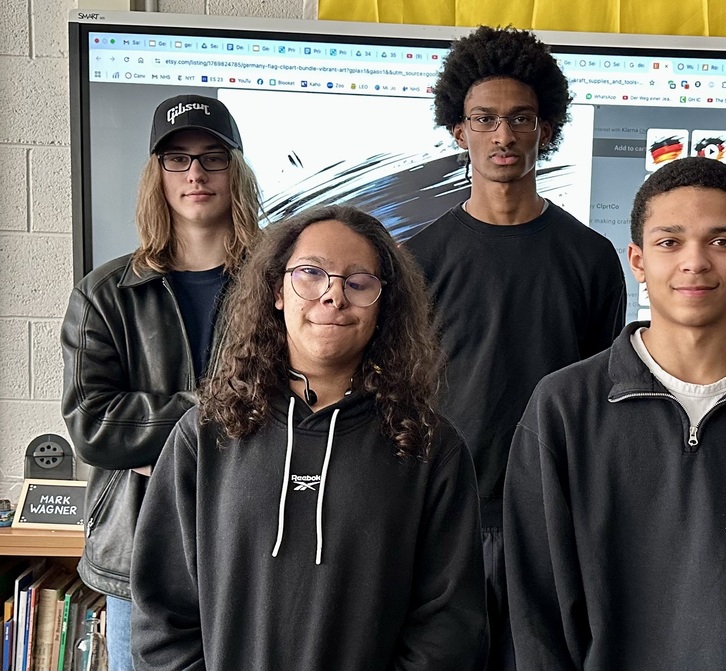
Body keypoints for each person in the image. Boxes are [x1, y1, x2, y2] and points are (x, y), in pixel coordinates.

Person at [504, 157, 726, 670]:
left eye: (721, 241)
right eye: (669, 242)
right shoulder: (564, 407)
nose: (694, 262)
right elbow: (537, 611)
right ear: (637, 259)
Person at [130, 205, 487, 670]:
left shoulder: (428, 447)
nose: (333, 296)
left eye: (358, 283)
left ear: (385, 305)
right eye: (311, 274)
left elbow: (449, 630)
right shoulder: (206, 434)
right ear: (277, 290)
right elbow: (162, 620)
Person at [403, 25, 626, 669]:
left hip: (552, 517)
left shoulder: (590, 257)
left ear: (546, 127)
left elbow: (604, 402)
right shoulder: (417, 259)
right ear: (458, 130)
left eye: (520, 118)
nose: (503, 135)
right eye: (485, 119)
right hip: (444, 517)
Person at [61, 94, 261, 670]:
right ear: (158, 174)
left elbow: (299, 400)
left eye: (212, 156)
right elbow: (94, 425)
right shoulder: (103, 295)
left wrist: (157, 442)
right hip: (139, 556)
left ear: (236, 171)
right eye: (177, 158)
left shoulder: (283, 285)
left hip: (255, 548)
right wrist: (214, 415)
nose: (195, 172)